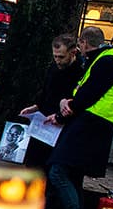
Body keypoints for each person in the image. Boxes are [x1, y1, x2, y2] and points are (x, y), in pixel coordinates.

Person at [42, 25, 113, 209]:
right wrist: (66, 103)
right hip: (92, 121)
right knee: (72, 173)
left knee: (58, 171)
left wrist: (63, 112)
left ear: (84, 43)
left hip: (93, 123)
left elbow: (87, 95)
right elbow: (82, 92)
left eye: (80, 44)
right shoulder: (104, 59)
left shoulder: (106, 61)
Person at [18, 33, 83, 172]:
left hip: (60, 123)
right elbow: (47, 90)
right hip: (45, 119)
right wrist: (36, 107)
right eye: (55, 56)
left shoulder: (79, 71)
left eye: (61, 57)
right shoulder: (54, 67)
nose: (57, 60)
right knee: (34, 162)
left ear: (73, 53)